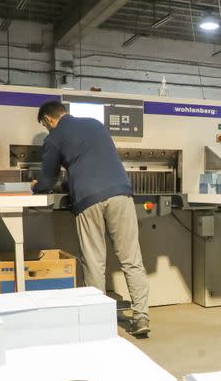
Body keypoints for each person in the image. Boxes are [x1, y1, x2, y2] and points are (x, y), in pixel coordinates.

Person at [32, 101, 151, 337]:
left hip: (88, 200)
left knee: (95, 261)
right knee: (131, 259)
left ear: (48, 119)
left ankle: (98, 321)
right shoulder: (95, 125)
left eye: (46, 126)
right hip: (120, 194)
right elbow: (90, 163)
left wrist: (36, 186)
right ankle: (141, 317)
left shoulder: (55, 137)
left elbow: (47, 181)